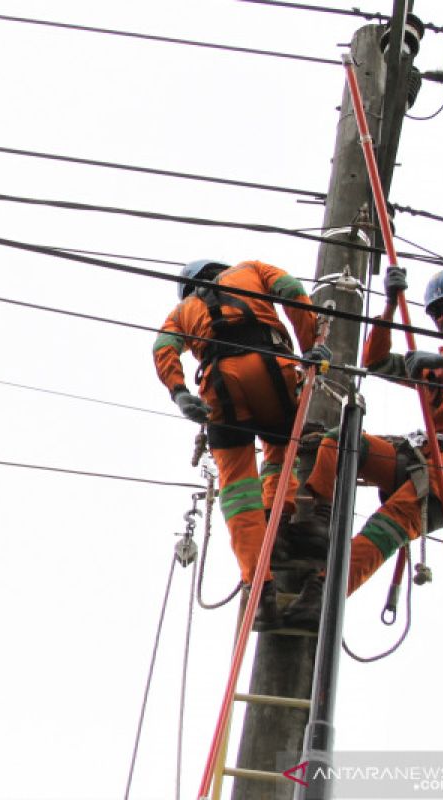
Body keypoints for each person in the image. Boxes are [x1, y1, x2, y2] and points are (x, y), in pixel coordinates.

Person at [284, 267, 443, 630]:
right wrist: (391, 305)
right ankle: (318, 523)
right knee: (343, 440)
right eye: (435, 313)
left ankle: (324, 594)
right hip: (431, 457)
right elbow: (376, 362)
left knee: (393, 519)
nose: (441, 320)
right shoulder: (431, 367)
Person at [153, 259, 326, 630]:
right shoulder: (252, 270)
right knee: (281, 450)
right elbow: (293, 290)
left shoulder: (182, 310)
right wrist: (311, 346)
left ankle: (259, 590)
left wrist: (180, 393)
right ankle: (277, 525)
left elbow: (163, 346)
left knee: (236, 488)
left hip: (220, 388)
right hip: (270, 369)